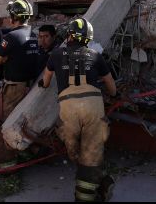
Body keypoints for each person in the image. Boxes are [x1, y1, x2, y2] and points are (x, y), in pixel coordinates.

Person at [41, 18, 117, 202]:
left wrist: (43, 83)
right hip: (93, 106)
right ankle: (90, 190)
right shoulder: (96, 55)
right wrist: (111, 94)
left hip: (68, 108)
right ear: (87, 39)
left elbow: (45, 81)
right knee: (91, 153)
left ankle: (95, 178)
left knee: (74, 150)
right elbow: (111, 87)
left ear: (69, 36)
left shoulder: (56, 54)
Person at [0, 0, 40, 172]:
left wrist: (6, 57)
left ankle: (7, 167)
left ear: (14, 17)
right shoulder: (34, 35)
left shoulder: (12, 37)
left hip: (13, 89)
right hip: (30, 87)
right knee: (19, 124)